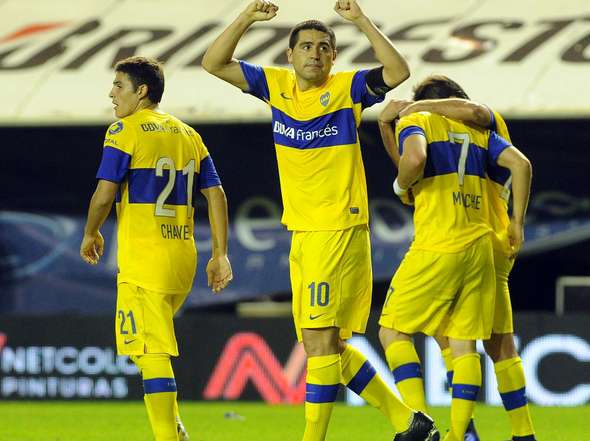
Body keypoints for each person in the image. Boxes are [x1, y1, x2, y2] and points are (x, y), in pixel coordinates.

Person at [202, 1, 439, 440]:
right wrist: (247, 17)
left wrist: (360, 21)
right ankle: (410, 423)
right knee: (326, 345)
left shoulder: (347, 88)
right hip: (303, 230)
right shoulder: (275, 86)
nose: (315, 53)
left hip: (336, 227)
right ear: (290, 55)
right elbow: (213, 62)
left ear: (333, 56)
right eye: (306, 46)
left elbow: (397, 71)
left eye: (324, 47)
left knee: (320, 342)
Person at [80, 56, 233, 441]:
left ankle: (168, 435)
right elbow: (216, 194)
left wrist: (91, 232)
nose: (112, 93)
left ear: (141, 91)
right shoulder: (188, 134)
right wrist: (220, 253)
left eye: (119, 85)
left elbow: (104, 193)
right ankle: (174, 426)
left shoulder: (124, 130)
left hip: (145, 259)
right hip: (181, 258)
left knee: (150, 352)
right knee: (143, 346)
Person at [377, 77, 537, 441]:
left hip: (451, 237)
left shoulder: (478, 121)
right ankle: (502, 433)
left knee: (434, 335)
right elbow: (520, 164)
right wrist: (387, 128)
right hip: (491, 242)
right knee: (485, 342)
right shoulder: (479, 137)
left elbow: (469, 114)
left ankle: (424, 424)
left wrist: (415, 110)